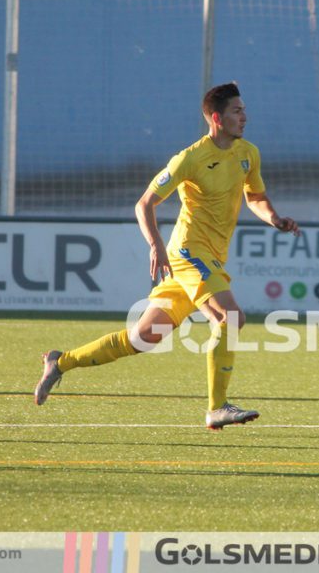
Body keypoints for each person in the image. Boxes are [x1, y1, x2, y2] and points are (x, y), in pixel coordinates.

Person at [34, 82, 299, 430]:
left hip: (208, 259)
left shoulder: (248, 153)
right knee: (230, 317)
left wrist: (275, 219)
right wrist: (156, 244)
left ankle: (60, 361)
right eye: (237, 111)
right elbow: (145, 203)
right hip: (189, 253)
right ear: (217, 118)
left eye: (244, 110)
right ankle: (217, 407)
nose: (245, 117)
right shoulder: (189, 158)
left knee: (142, 338)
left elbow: (256, 197)